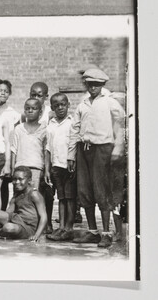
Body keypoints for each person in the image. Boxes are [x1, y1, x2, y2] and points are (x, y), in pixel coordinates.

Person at [68, 68, 126, 247]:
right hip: (84, 149)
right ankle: (93, 231)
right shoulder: (82, 104)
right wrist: (71, 155)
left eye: (96, 84)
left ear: (102, 85)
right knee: (85, 190)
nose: (93, 88)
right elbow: (74, 130)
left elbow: (120, 127)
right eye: (89, 84)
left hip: (103, 150)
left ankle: (107, 233)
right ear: (85, 84)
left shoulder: (110, 103)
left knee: (103, 190)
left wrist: (118, 149)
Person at [10, 98, 50, 233]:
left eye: (34, 108)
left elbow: (46, 151)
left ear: (40, 111)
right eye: (27, 108)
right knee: (19, 198)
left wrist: (46, 169)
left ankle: (39, 227)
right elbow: (14, 149)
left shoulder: (44, 129)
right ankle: (20, 224)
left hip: (36, 169)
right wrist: (12, 167)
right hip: (20, 168)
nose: (30, 110)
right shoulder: (19, 129)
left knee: (34, 197)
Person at [45, 93, 78, 241]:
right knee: (62, 197)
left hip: (69, 166)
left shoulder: (72, 123)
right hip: (56, 166)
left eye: (63, 104)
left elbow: (76, 145)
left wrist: (75, 162)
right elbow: (48, 149)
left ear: (68, 104)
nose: (60, 108)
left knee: (70, 197)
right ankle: (62, 227)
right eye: (56, 105)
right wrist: (47, 169)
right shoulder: (50, 125)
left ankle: (69, 228)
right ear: (52, 107)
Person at [0, 166, 48, 241]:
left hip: (28, 228)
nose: (17, 182)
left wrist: (36, 235)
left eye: (20, 179)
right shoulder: (17, 194)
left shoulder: (34, 194)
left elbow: (43, 217)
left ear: (29, 180)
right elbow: (8, 213)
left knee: (8, 227)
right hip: (17, 219)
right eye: (14, 179)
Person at [0, 79, 21, 209]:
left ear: (9, 94)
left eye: (5, 91)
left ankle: (2, 211)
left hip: (6, 152)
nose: (2, 93)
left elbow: (15, 136)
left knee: (3, 184)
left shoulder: (13, 114)